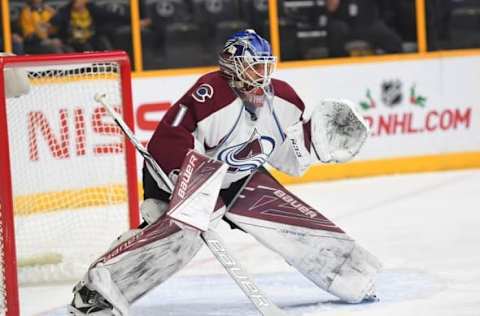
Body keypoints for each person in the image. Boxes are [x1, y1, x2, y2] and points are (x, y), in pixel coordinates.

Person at [69, 29, 379, 315]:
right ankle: (96, 291)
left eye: (266, 65)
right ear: (234, 65)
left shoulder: (283, 99)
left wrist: (314, 144)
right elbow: (170, 137)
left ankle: (352, 275)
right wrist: (189, 181)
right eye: (256, 66)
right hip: (185, 175)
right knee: (178, 241)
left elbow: (287, 157)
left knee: (288, 219)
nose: (263, 74)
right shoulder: (210, 92)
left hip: (239, 180)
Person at [326, 0, 403, 57]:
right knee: (336, 29)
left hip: (370, 24)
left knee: (394, 41)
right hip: (344, 25)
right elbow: (331, 8)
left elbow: (384, 7)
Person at [51, 0, 129, 52]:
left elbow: (112, 16)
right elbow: (55, 26)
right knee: (83, 47)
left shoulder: (91, 8)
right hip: (73, 41)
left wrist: (133, 21)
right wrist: (56, 38)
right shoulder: (65, 12)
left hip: (92, 38)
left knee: (102, 42)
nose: (78, 2)